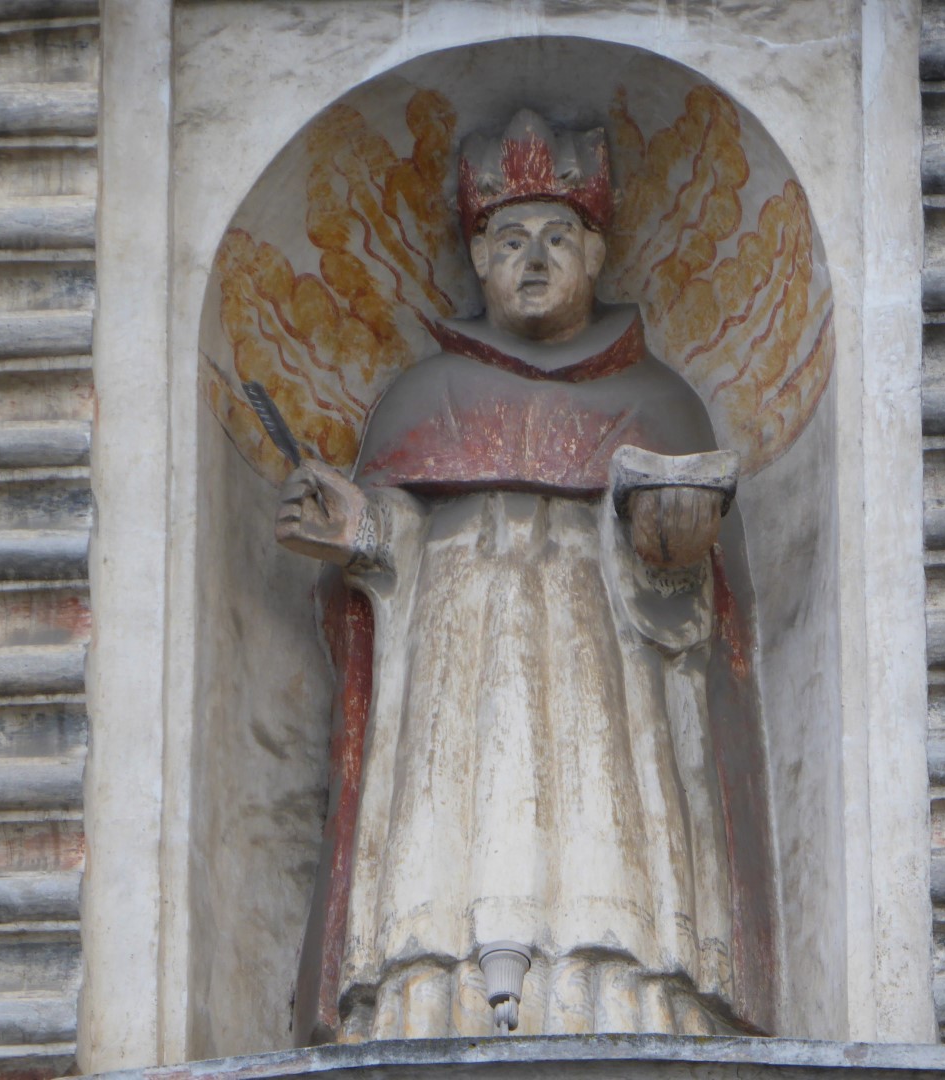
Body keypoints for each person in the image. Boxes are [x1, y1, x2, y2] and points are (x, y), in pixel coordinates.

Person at [278, 109, 776, 1043]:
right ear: (477, 258)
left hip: (604, 676)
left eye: (558, 237)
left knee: (603, 819)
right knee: (448, 832)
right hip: (455, 672)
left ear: (596, 254)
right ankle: (427, 991)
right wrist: (360, 531)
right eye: (510, 239)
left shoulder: (660, 402)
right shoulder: (420, 400)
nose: (534, 260)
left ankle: (623, 989)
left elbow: (708, 637)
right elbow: (382, 566)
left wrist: (673, 555)